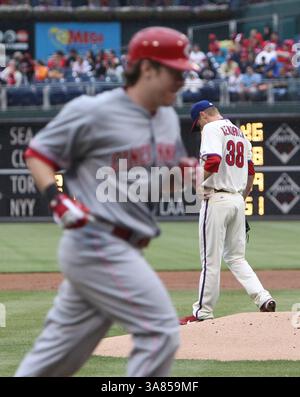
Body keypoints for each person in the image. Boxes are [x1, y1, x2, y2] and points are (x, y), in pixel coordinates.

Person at [15, 26, 196, 377]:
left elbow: (148, 186)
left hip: (127, 245)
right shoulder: (93, 111)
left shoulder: (168, 119)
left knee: (55, 360)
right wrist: (57, 199)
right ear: (147, 68)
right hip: (96, 240)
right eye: (174, 71)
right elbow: (37, 154)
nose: (181, 80)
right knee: (161, 333)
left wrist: (180, 178)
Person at [180, 100, 276, 325]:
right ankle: (263, 298)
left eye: (198, 124)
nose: (199, 128)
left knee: (210, 261)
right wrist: (240, 201)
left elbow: (213, 161)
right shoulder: (240, 134)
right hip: (236, 200)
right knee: (236, 257)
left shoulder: (212, 128)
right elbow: (251, 172)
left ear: (203, 115)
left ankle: (202, 313)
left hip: (216, 198)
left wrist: (194, 181)